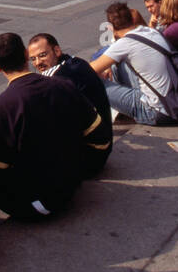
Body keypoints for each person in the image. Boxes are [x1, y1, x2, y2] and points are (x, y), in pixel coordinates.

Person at [0, 33, 109, 220]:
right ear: (25, 55)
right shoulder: (63, 86)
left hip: (35, 205)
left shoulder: (1, 106)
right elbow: (99, 136)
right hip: (71, 189)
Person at [89, 2, 178, 125]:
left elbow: (86, 70)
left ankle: (91, 121)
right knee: (118, 66)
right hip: (175, 101)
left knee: (94, 82)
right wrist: (109, 64)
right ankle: (118, 108)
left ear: (110, 27)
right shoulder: (151, 32)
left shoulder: (125, 43)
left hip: (154, 111)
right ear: (132, 19)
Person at [27, 33, 113, 171]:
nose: (38, 63)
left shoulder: (55, 78)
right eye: (33, 59)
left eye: (42, 55)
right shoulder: (76, 62)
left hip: (89, 158)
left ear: (57, 51)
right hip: (103, 146)